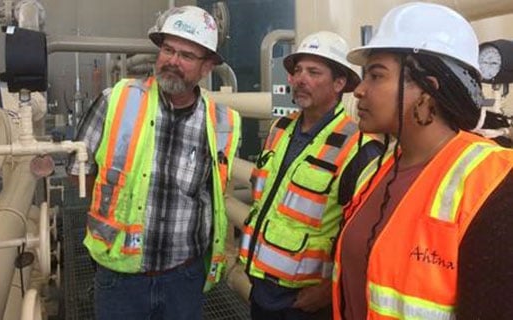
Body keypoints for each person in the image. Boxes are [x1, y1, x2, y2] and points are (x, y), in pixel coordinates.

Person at [331, 2, 513, 319]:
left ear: (428, 91)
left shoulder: (493, 186)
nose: (359, 90)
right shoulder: (378, 169)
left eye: (376, 75)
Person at [67, 6, 241, 320]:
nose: (172, 61)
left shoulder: (224, 123)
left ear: (207, 67)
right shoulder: (117, 100)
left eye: (187, 55)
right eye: (167, 49)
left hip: (184, 277)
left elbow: (211, 195)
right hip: (119, 274)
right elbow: (80, 174)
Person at [239, 31, 384, 320]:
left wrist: (331, 287)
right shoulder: (280, 129)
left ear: (339, 83)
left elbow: (366, 237)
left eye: (313, 72)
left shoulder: (359, 147)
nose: (300, 79)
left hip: (306, 302)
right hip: (261, 287)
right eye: (297, 71)